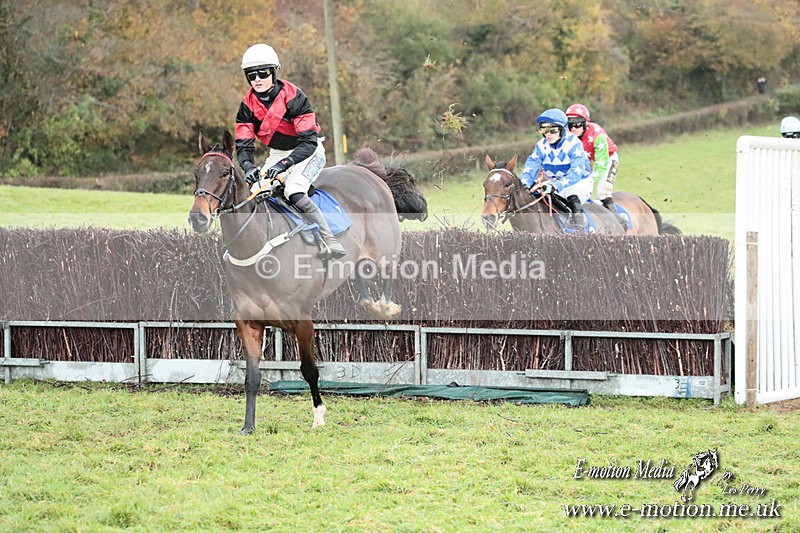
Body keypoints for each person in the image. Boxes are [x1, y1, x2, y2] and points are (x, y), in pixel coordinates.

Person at [234, 43, 346, 259]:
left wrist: (283, 166)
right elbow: (244, 147)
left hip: (307, 151)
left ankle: (329, 239)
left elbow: (308, 143)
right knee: (256, 190)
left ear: (274, 72)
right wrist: (248, 168)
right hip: (278, 153)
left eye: (263, 73)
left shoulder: (295, 97)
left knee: (293, 189)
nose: (257, 79)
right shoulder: (246, 107)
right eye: (251, 75)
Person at [519, 108, 593, 229]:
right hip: (555, 182)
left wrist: (555, 185)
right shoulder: (541, 146)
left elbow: (576, 173)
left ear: (562, 129)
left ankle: (583, 231)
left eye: (552, 130)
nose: (548, 134)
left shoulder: (574, 144)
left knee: (572, 196)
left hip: (579, 183)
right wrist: (524, 185)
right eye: (544, 129)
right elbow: (531, 167)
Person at [565, 103, 624, 227]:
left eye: (577, 124)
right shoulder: (567, 134)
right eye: (570, 124)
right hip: (589, 160)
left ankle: (618, 222)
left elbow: (601, 165)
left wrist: (590, 180)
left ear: (585, 123)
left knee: (602, 191)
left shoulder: (598, 136)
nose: (573, 128)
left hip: (608, 159)